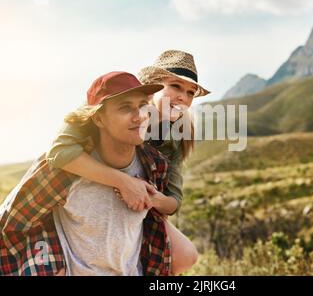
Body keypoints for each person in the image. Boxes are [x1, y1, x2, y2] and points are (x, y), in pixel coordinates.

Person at [46, 50, 210, 275]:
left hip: (136, 204)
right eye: (175, 86)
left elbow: (174, 201)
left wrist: (151, 198)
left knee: (185, 255)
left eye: (190, 92)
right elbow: (59, 151)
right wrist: (124, 182)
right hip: (81, 185)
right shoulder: (109, 99)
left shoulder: (176, 135)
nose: (183, 97)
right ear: (153, 85)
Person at [0, 72, 171, 276]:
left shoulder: (155, 166)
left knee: (188, 255)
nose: (140, 115)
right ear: (99, 119)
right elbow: (12, 220)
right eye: (125, 107)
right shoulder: (66, 169)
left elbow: (157, 225)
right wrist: (44, 265)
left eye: (142, 105)